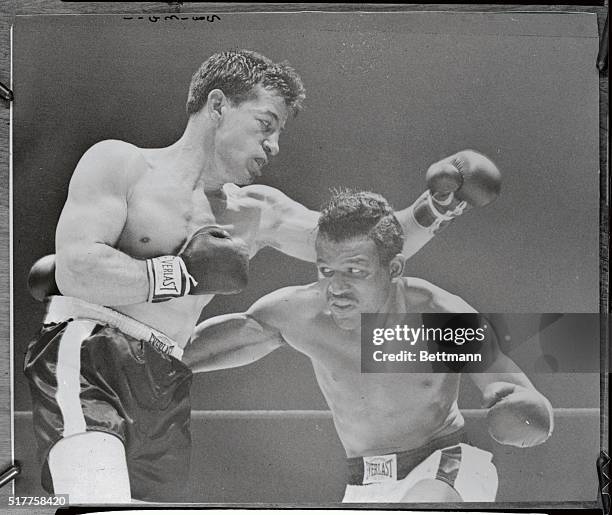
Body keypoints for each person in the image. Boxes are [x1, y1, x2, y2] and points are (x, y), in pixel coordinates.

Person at [24, 49, 501, 503]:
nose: (272, 145)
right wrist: (182, 274)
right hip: (96, 352)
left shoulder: (256, 211)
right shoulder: (122, 163)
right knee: (96, 495)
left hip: (166, 373)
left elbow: (364, 242)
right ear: (217, 105)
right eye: (265, 125)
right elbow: (78, 268)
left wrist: (432, 208)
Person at [183, 190, 554, 503]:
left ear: (393, 269)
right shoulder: (298, 313)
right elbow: (193, 352)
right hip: (363, 485)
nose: (337, 288)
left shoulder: (439, 316)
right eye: (326, 270)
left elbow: (510, 386)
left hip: (443, 467)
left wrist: (521, 410)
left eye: (356, 271)